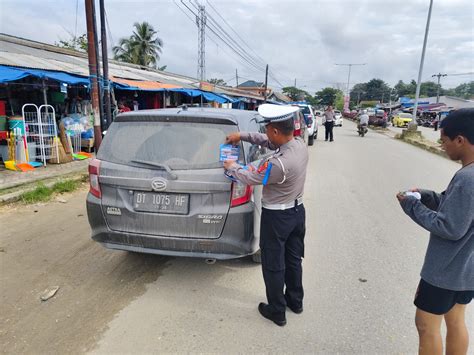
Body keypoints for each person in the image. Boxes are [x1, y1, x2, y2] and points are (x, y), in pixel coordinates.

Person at [396, 108, 474, 355]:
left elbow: (450, 227)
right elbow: (460, 210)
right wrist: (430, 197)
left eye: (444, 141)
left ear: (460, 140)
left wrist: (412, 206)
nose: (442, 146)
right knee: (456, 319)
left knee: (426, 326)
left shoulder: (467, 178)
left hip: (445, 270)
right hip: (467, 270)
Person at [223, 104, 309, 327]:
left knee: (273, 263)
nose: (267, 133)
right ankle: (295, 301)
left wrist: (231, 167)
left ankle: (276, 310)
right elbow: (265, 140)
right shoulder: (298, 144)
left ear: (277, 132)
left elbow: (250, 177)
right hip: (297, 212)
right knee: (293, 259)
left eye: (269, 128)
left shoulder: (278, 164)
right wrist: (241, 135)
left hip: (277, 218)